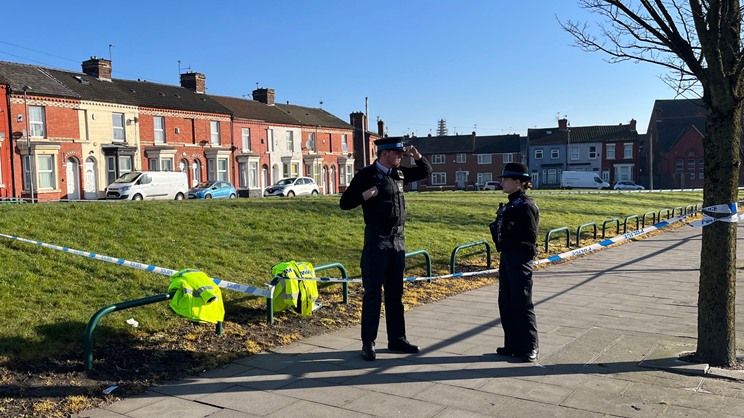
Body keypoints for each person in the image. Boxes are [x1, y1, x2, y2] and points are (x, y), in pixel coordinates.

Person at [339, 137, 432, 361]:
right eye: (397, 153)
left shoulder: (398, 174)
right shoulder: (367, 175)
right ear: (384, 154)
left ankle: (397, 339)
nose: (401, 157)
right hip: (377, 239)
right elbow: (345, 202)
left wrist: (417, 156)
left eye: (402, 154)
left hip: (397, 239)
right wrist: (365, 195)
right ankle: (368, 343)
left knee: (395, 293)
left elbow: (425, 171)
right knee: (373, 293)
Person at [490, 162, 540, 362]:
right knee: (506, 302)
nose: (502, 182)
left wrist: (509, 235)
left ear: (518, 183)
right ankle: (512, 344)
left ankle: (530, 346)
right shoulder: (511, 204)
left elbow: (530, 237)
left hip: (520, 259)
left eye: (506, 179)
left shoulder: (525, 205)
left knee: (522, 303)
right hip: (508, 258)